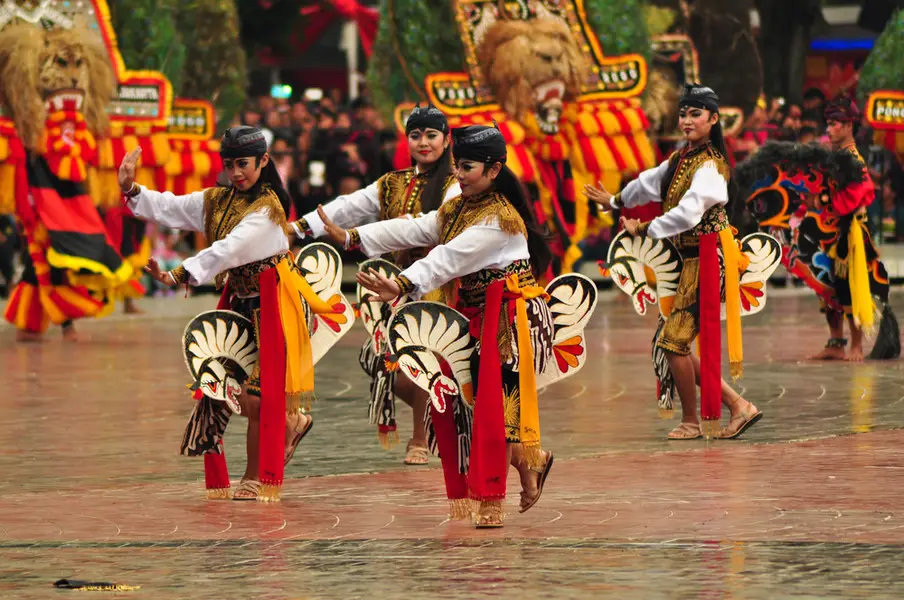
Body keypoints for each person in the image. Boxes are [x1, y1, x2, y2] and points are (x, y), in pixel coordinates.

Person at [319, 123, 556, 528]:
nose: (460, 175)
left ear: (495, 170)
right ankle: (533, 461)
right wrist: (354, 236)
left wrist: (401, 283)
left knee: (494, 411)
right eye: (458, 166)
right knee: (477, 407)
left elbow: (449, 257)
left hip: (509, 323)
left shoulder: (500, 218)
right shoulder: (459, 207)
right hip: (475, 315)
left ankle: (493, 499)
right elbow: (416, 227)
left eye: (468, 167)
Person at [119, 126, 339, 501]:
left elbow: (228, 249)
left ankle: (255, 476)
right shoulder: (218, 200)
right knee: (219, 388)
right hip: (241, 302)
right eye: (230, 165)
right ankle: (292, 422)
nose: (236, 172)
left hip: (278, 304)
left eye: (244, 164)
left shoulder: (268, 209)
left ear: (263, 162)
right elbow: (174, 207)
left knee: (256, 398)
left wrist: (178, 273)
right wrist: (131, 190)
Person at [586, 84, 761, 440]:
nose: (686, 120)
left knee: (672, 342)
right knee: (672, 341)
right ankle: (738, 406)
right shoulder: (681, 159)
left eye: (695, 114)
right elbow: (649, 183)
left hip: (710, 259)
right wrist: (616, 200)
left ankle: (694, 420)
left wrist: (646, 227)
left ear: (713, 119)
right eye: (683, 113)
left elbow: (688, 214)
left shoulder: (711, 166)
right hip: (692, 261)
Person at [292, 105, 461, 465]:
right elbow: (348, 206)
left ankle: (419, 438)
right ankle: (444, 411)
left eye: (432, 135)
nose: (423, 142)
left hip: (437, 281)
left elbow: (430, 226)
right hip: (391, 284)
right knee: (382, 364)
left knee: (420, 356)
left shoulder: (455, 185)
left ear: (446, 140)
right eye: (416, 135)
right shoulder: (392, 182)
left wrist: (355, 237)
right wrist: (298, 228)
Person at [808, 97, 885, 362]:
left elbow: (851, 202)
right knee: (828, 286)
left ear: (848, 126)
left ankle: (856, 345)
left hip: (849, 232)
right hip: (831, 230)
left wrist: (821, 200)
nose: (828, 130)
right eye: (827, 124)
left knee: (850, 287)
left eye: (833, 124)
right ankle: (835, 342)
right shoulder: (838, 156)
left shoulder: (853, 159)